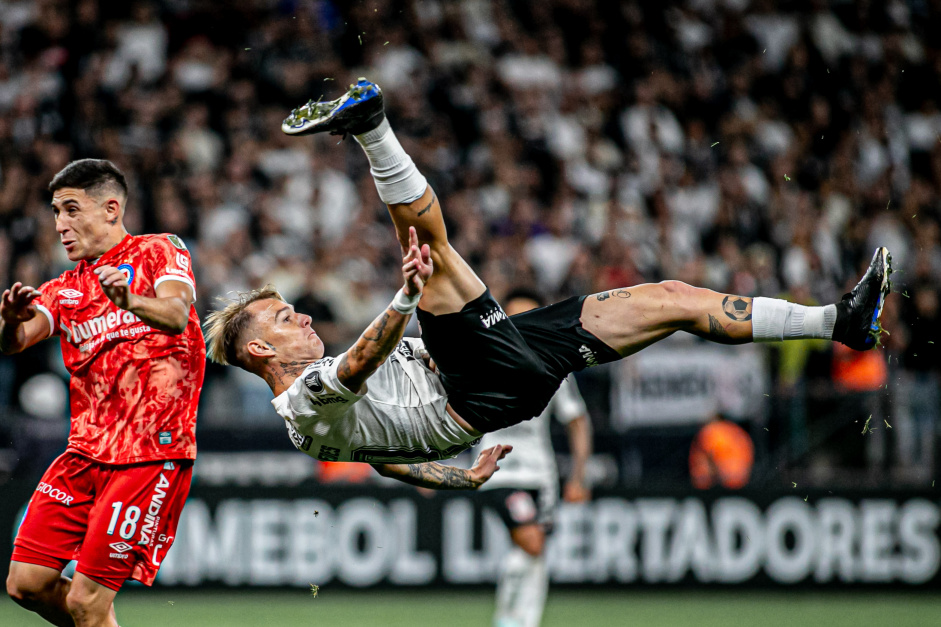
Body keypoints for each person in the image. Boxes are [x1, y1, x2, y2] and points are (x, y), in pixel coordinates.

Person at [203, 78, 890, 491]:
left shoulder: (327, 428)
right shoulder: (301, 403)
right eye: (278, 317)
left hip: (492, 370)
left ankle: (839, 322)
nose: (294, 313)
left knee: (673, 299)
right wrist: (405, 299)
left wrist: (456, 477)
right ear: (260, 354)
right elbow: (359, 362)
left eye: (284, 305)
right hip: (469, 390)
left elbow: (383, 459)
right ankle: (372, 127)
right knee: (430, 258)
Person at [2, 159, 204, 627]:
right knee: (25, 584)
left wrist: (131, 301)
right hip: (84, 454)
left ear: (111, 209)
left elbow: (176, 314)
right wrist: (10, 320)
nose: (60, 225)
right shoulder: (65, 288)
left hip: (150, 452)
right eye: (55, 212)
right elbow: (12, 342)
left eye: (71, 210)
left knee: (86, 604)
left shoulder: (159, 250)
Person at [475, 288, 593, 627]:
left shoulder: (555, 364)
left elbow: (578, 420)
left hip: (542, 475)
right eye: (515, 317)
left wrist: (578, 477)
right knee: (531, 541)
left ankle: (522, 621)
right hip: (498, 471)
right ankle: (508, 620)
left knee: (535, 553)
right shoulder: (482, 358)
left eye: (530, 316)